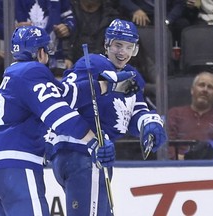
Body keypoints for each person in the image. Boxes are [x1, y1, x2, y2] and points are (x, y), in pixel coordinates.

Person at [0, 25, 134, 216]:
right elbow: (59, 115)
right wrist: (95, 142)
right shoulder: (33, 72)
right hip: (16, 166)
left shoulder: (15, 75)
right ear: (41, 52)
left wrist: (106, 86)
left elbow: (66, 95)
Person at [46, 19, 167, 215]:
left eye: (129, 47)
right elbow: (66, 99)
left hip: (94, 158)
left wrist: (149, 124)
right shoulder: (93, 64)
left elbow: (135, 111)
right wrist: (104, 83)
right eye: (118, 45)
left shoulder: (131, 75)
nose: (123, 52)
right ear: (107, 44)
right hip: (81, 155)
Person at [0, 0, 75, 78]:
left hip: (54, 62)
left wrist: (67, 27)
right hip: (19, 64)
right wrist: (13, 28)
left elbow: (70, 19)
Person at [168, 71, 213, 160]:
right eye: (201, 85)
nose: (205, 90)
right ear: (192, 90)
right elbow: (166, 144)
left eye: (210, 87)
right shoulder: (174, 114)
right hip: (178, 168)